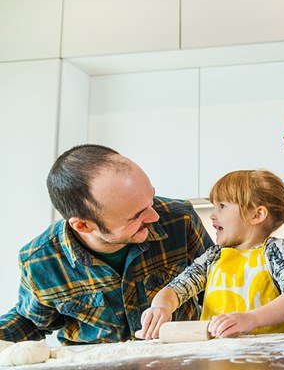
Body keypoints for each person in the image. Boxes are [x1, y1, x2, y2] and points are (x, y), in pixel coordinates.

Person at [0, 144, 214, 345]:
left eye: (151, 199)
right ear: (83, 225)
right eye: (136, 216)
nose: (154, 216)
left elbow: (218, 285)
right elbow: (30, 321)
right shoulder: (41, 260)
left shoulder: (180, 220)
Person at [136, 170, 284, 339]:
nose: (213, 215)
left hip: (267, 355)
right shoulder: (213, 257)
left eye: (222, 206)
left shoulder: (274, 251)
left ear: (257, 215)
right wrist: (161, 306)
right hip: (215, 356)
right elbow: (176, 288)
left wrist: (251, 319)